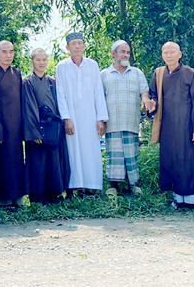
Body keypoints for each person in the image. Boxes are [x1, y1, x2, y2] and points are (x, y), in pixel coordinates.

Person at [148, 42, 194, 210]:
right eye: (165, 52)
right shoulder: (159, 74)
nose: (169, 55)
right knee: (171, 160)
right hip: (167, 125)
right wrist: (152, 103)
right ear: (162, 55)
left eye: (172, 52)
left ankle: (192, 200)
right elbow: (153, 95)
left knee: (189, 161)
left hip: (187, 126)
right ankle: (177, 199)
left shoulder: (191, 74)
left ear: (180, 54)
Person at [55, 33, 108, 193]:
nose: (77, 46)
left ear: (84, 46)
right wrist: (66, 118)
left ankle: (91, 187)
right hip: (72, 117)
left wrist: (101, 118)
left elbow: (98, 92)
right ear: (67, 47)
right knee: (73, 150)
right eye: (73, 43)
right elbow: (60, 93)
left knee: (91, 150)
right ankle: (74, 187)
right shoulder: (62, 67)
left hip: (91, 116)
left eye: (80, 43)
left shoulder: (92, 65)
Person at [100, 40, 153, 197]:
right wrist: (101, 120)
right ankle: (113, 186)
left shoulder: (137, 73)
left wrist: (146, 101)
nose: (125, 55)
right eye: (122, 51)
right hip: (112, 121)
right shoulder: (104, 74)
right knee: (114, 155)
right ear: (113, 53)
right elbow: (99, 99)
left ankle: (134, 185)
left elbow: (144, 92)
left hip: (131, 120)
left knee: (131, 154)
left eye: (128, 52)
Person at [22, 48, 70, 204]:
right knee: (38, 162)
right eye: (38, 60)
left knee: (54, 161)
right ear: (32, 62)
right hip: (38, 127)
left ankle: (54, 193)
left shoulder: (53, 81)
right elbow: (28, 107)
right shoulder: (28, 82)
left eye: (44, 60)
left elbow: (60, 103)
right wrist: (34, 132)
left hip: (53, 128)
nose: (41, 63)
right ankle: (37, 196)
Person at [0, 40, 26, 207]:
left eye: (11, 51)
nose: (8, 55)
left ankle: (17, 197)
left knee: (16, 161)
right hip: (0, 126)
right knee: (1, 162)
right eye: (4, 52)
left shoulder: (16, 73)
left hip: (16, 126)